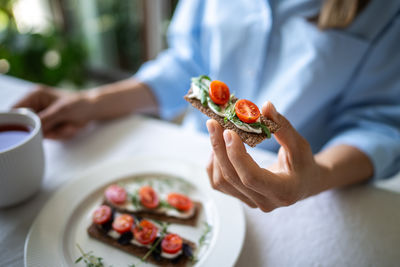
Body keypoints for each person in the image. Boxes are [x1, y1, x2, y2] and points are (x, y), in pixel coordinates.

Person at [14, 0, 400, 211]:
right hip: (189, 157)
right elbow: (187, 63)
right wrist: (92, 102)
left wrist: (317, 176)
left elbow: (380, 124)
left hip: (309, 195)